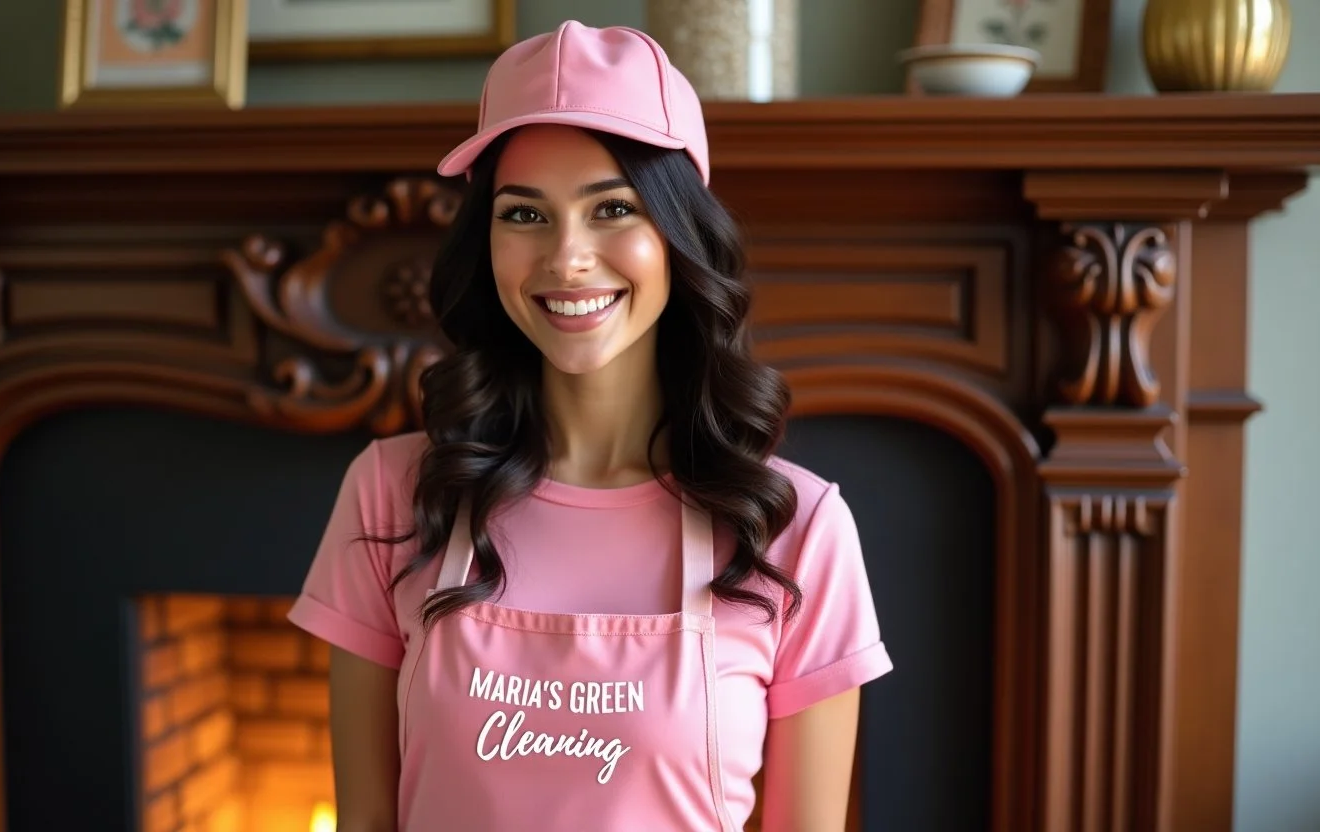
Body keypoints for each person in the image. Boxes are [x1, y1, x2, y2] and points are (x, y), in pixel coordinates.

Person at [287, 19, 892, 832]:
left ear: (678, 238)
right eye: (524, 215)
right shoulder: (394, 493)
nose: (566, 257)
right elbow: (365, 821)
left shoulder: (796, 529)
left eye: (613, 208)